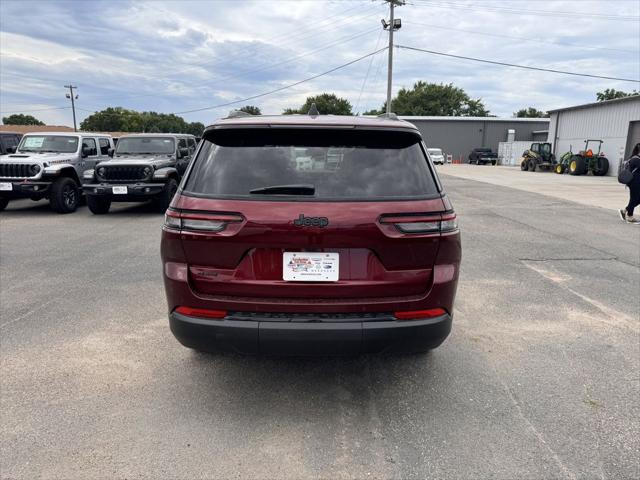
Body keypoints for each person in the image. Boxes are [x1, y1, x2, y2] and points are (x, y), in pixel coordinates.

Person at [619, 142, 640, 223]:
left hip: (637, 182)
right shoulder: (635, 159)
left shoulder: (636, 158)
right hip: (634, 182)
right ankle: (630, 216)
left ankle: (625, 211)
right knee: (634, 199)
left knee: (635, 199)